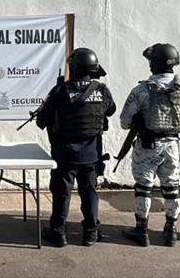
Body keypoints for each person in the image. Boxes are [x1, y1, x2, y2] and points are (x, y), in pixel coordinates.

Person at [35, 47, 116, 247]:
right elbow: (111, 110)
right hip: (92, 154)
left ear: (73, 67)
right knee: (89, 193)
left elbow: (41, 121)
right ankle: (91, 233)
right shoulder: (102, 91)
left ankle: (58, 232)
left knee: (62, 192)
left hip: (65, 154)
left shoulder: (59, 91)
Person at [119, 43, 180, 247]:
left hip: (147, 145)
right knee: (171, 189)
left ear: (153, 64)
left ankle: (141, 230)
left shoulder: (142, 90)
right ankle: (171, 232)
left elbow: (125, 121)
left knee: (143, 188)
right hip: (173, 145)